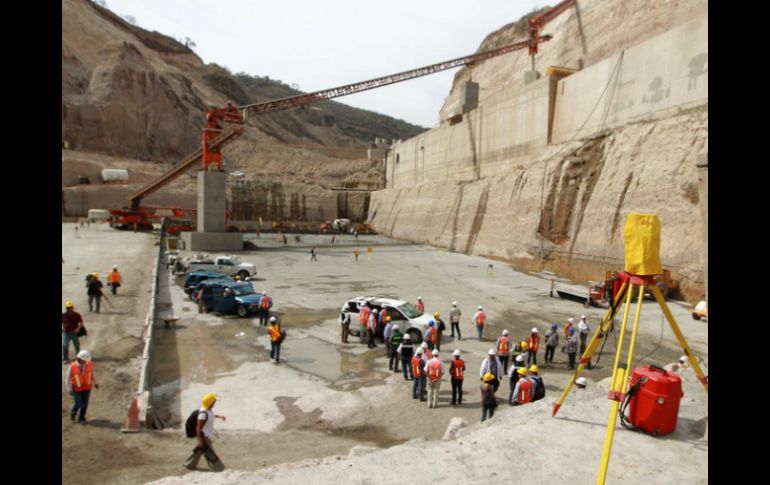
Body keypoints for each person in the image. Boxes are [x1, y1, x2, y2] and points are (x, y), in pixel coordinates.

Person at [184, 392, 226, 471]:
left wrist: (219, 416)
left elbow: (211, 414)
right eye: (214, 401)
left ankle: (189, 464)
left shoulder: (207, 409)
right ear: (210, 402)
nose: (215, 402)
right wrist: (200, 441)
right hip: (203, 436)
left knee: (199, 451)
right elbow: (198, 428)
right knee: (210, 452)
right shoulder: (203, 414)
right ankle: (219, 468)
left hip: (204, 436)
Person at [66, 350, 99, 424]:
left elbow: (92, 373)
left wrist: (95, 382)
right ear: (80, 359)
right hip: (76, 388)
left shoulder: (89, 364)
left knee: (85, 403)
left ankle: (81, 418)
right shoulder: (72, 366)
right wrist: (69, 389)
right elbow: (67, 378)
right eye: (85, 360)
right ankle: (73, 414)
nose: (86, 362)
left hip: (87, 388)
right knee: (78, 403)